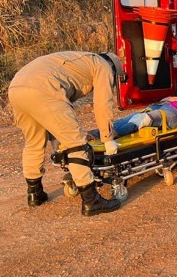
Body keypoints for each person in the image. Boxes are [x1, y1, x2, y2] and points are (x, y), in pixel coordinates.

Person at [8, 50, 124, 216]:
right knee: (76, 144)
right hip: (43, 87)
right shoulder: (104, 66)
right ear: (114, 68)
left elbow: (53, 115)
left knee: (33, 141)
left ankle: (35, 193)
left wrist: (59, 141)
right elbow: (102, 104)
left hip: (16, 88)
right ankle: (91, 201)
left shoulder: (78, 60)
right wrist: (107, 137)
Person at [90, 94, 177, 138]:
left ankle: (115, 135)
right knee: (126, 119)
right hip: (163, 106)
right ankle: (93, 134)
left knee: (143, 119)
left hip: (175, 113)